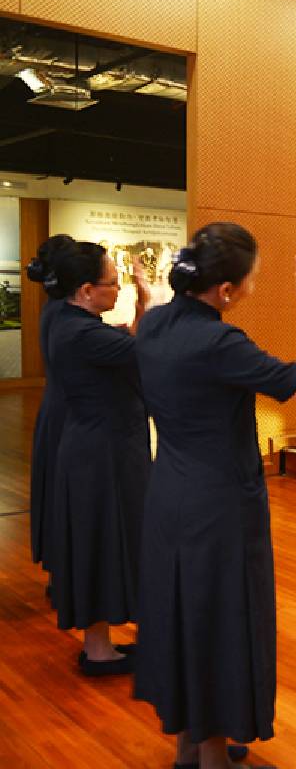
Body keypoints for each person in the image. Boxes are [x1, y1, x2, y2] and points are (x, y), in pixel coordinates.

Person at [134, 223, 296, 769]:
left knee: (181, 613)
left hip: (168, 490)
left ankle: (188, 744)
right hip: (219, 503)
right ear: (224, 291)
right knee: (218, 619)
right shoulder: (219, 342)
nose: (251, 289)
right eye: (250, 281)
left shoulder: (154, 326)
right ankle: (213, 754)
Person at [41, 237, 150, 676]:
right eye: (112, 283)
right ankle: (99, 651)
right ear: (85, 290)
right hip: (101, 453)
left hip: (98, 447)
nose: (118, 289)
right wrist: (156, 305)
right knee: (100, 543)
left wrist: (143, 304)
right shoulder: (83, 334)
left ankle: (101, 644)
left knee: (101, 542)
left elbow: (132, 345)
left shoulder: (68, 322)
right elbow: (148, 353)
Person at [24, 236, 73, 583]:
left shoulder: (53, 308)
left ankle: (63, 574)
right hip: (69, 414)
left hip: (58, 408)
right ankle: (68, 576)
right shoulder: (65, 315)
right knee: (66, 495)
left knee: (59, 493)